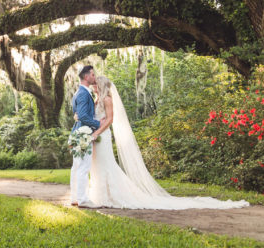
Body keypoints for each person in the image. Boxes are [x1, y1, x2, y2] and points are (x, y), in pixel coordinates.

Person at [76, 75, 249, 209]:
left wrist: (96, 133)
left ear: (103, 85)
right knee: (97, 166)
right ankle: (98, 194)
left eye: (96, 83)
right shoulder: (96, 98)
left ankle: (110, 195)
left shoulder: (107, 99)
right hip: (95, 137)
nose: (93, 85)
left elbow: (110, 120)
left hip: (102, 137)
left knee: (107, 165)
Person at [69, 65, 102, 209]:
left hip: (77, 131)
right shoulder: (83, 93)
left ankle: (75, 198)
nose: (95, 77)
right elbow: (82, 115)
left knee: (76, 167)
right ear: (87, 76)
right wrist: (98, 124)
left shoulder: (78, 92)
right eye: (93, 75)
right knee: (83, 167)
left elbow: (77, 114)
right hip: (83, 133)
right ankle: (83, 200)